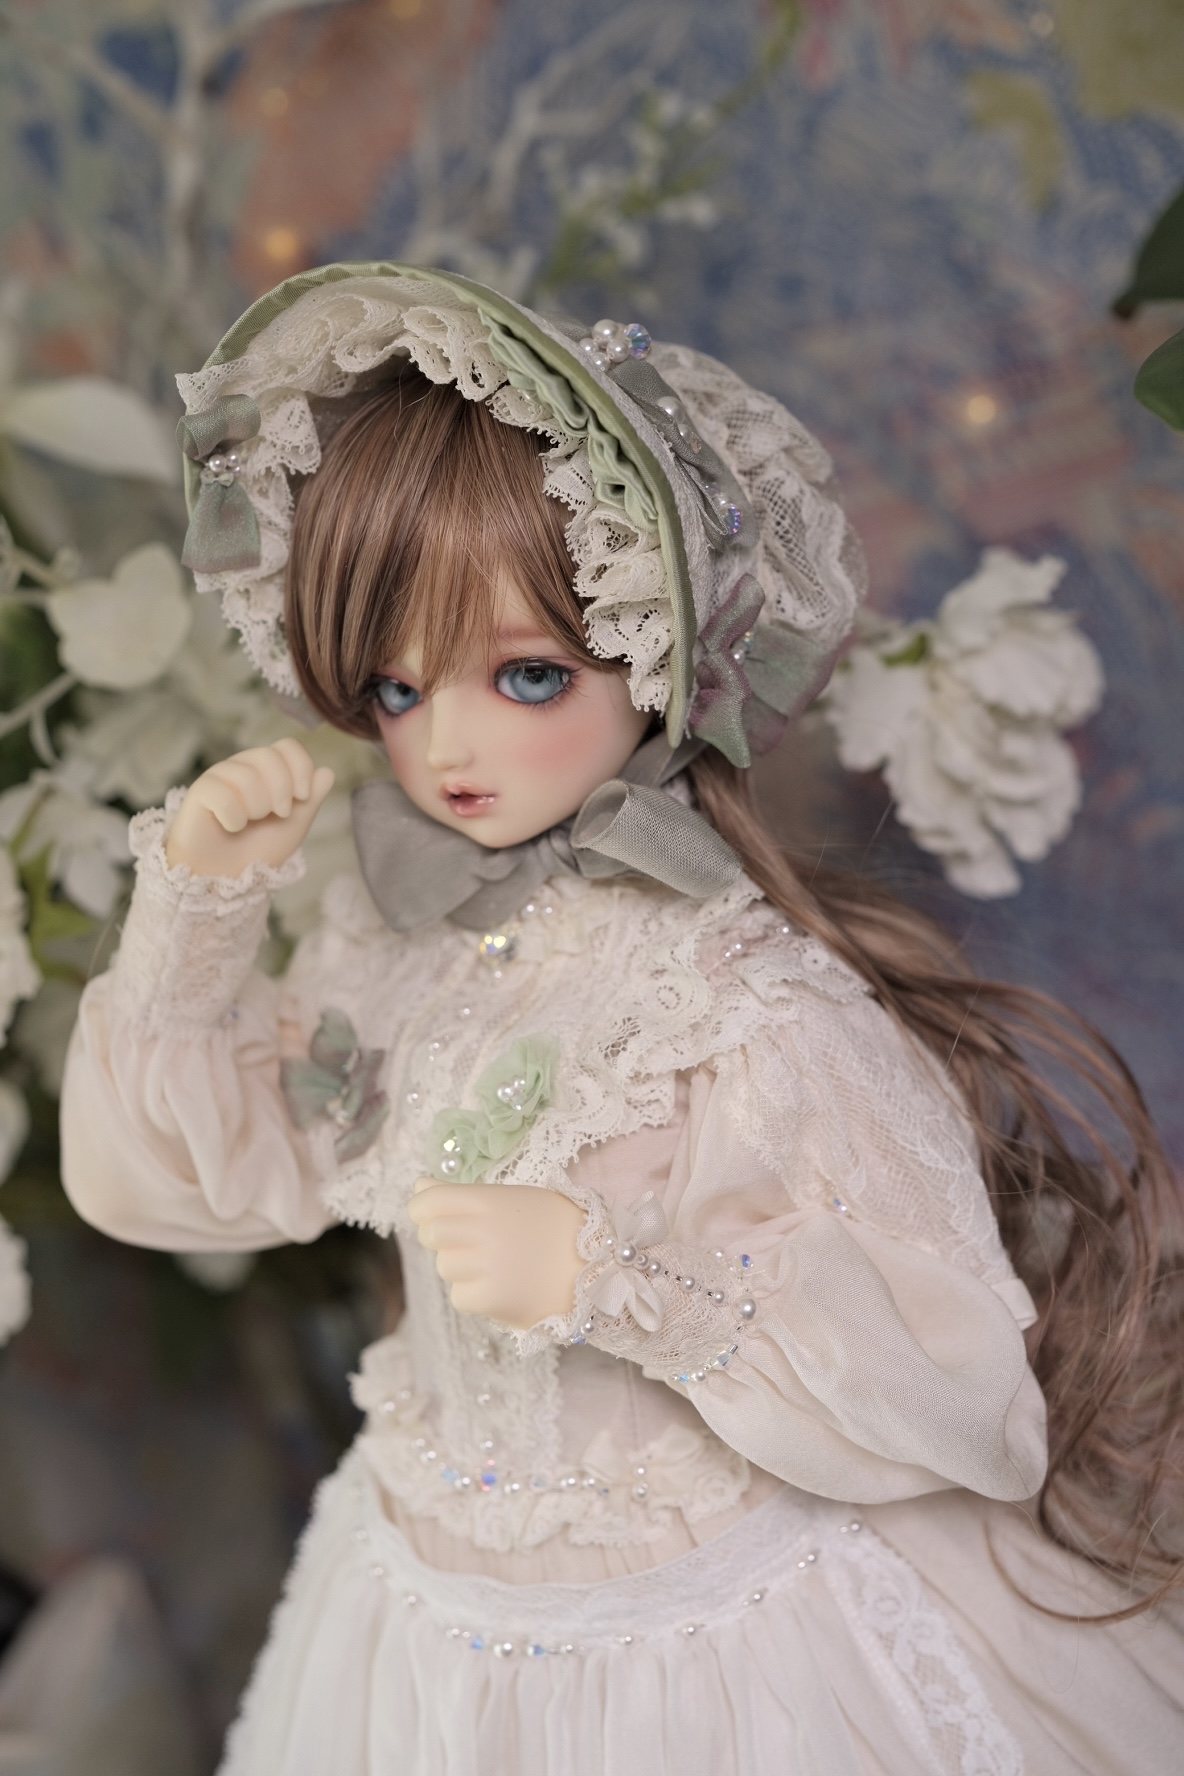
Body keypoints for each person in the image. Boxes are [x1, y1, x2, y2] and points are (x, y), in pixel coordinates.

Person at [60, 266, 1183, 1775]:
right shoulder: (391, 947)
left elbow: (956, 1394)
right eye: (395, 690)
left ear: (658, 657)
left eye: (526, 676)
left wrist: (620, 1282)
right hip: (420, 1613)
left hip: (715, 1639)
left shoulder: (733, 1002)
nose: (447, 746)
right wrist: (195, 918)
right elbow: (185, 1186)